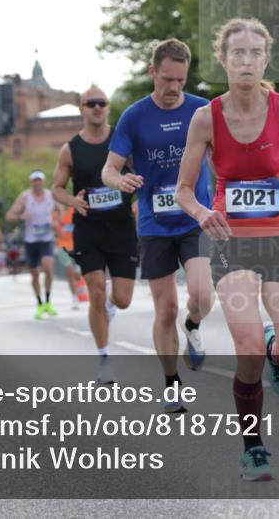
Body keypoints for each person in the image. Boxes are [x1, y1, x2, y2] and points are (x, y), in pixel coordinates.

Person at [176, 17, 279, 482]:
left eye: (254, 53)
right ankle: (253, 447)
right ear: (222, 59)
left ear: (266, 59)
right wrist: (202, 213)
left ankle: (274, 343)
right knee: (248, 351)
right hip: (230, 244)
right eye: (236, 53)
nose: (245, 60)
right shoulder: (206, 118)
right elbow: (182, 189)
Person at [103, 38, 215, 412]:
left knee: (201, 296)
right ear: (153, 72)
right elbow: (109, 168)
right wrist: (120, 181)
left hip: (195, 216)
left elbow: (226, 155)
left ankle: (194, 325)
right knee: (164, 308)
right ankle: (171, 384)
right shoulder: (134, 116)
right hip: (154, 223)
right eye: (167, 79)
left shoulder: (203, 110)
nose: (173, 89)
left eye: (180, 80)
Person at [52, 86, 138, 385]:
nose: (97, 108)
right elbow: (58, 188)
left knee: (123, 299)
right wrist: (72, 201)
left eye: (102, 103)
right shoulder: (70, 149)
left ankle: (111, 308)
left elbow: (143, 175)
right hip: (88, 229)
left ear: (108, 107)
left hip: (122, 228)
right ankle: (104, 359)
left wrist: (139, 202)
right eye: (92, 104)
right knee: (97, 290)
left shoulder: (122, 140)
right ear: (82, 109)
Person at [6, 171, 60, 319]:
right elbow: (9, 216)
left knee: (48, 267)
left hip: (46, 239)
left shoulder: (50, 195)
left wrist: (56, 222)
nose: (37, 184)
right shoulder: (25, 197)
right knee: (35, 274)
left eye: (39, 181)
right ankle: (39, 303)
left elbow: (62, 210)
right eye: (34, 181)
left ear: (43, 182)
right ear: (31, 183)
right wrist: (21, 216)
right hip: (30, 241)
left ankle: (48, 300)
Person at [53, 204, 88, 310]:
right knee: (69, 272)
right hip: (63, 247)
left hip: (77, 245)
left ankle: (83, 289)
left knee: (78, 273)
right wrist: (60, 217)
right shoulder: (56, 214)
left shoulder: (75, 210)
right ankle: (74, 298)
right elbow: (57, 232)